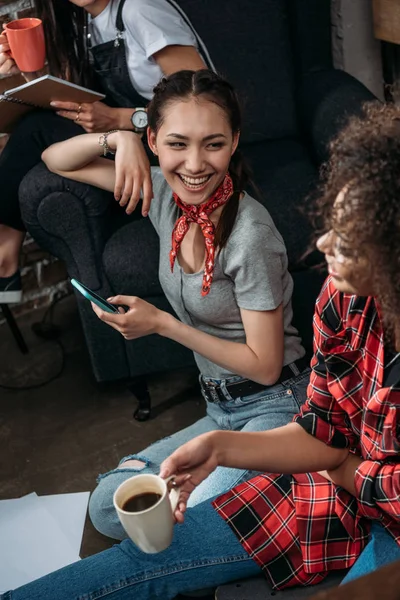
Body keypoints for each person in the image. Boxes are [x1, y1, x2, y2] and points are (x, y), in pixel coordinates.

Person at [3, 100, 400, 600]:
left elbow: (354, 467)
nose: (321, 245)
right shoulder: (342, 303)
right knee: (142, 552)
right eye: (176, 144)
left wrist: (342, 467)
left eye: (349, 239)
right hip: (297, 454)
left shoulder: (251, 234)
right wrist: (220, 448)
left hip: (364, 492)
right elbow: (325, 435)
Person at [41, 69, 309, 539]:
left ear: (234, 142)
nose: (195, 164)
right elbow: (55, 159)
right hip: (220, 412)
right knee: (109, 506)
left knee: (191, 518)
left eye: (213, 144)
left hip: (276, 406)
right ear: (155, 141)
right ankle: (260, 502)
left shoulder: (251, 235)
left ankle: (275, 487)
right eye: (177, 144)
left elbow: (265, 366)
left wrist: (164, 325)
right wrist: (119, 141)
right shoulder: (165, 196)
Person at [0, 0, 207, 303]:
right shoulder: (87, 26)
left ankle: (5, 254)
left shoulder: (140, 8)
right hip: (141, 145)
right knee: (36, 127)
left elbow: (203, 102)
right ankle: (5, 254)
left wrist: (120, 122)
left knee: (36, 130)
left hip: (184, 152)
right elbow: (75, 109)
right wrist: (24, 76)